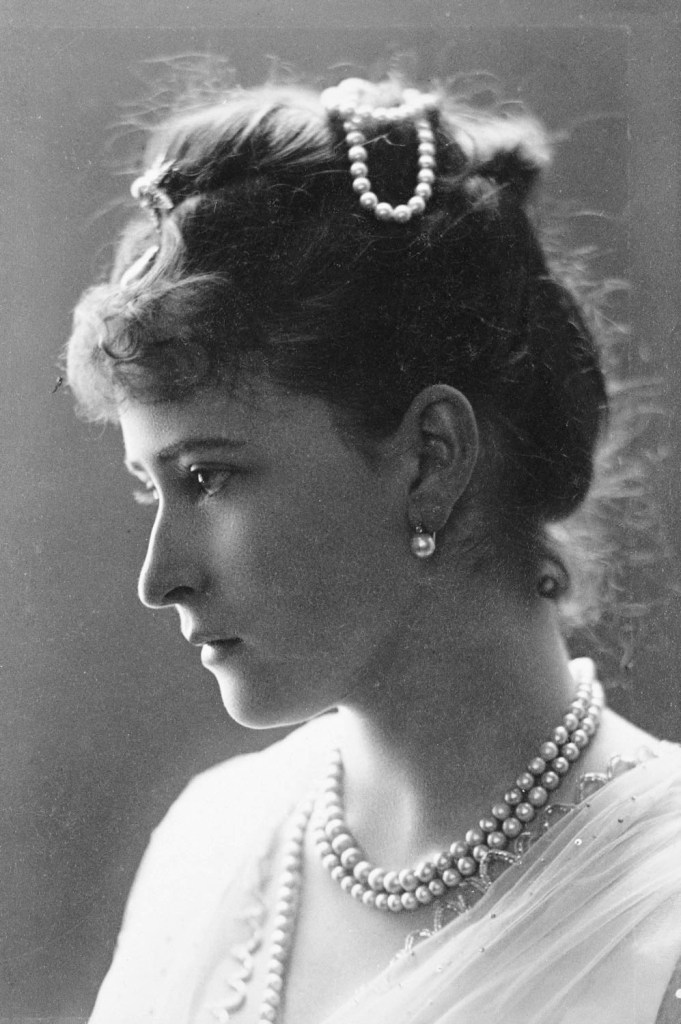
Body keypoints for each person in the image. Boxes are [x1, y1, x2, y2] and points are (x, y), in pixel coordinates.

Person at [65, 76, 681, 1023]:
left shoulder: (661, 902)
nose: (160, 578)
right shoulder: (206, 847)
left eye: (209, 477)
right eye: (153, 488)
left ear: (430, 457)